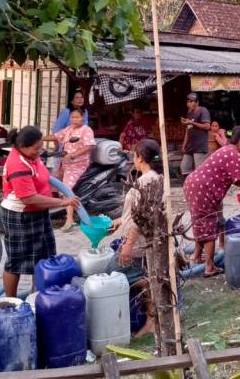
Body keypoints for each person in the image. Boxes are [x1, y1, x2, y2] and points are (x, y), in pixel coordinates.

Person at [0, 126, 80, 298]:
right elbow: (29, 198)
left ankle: (38, 296)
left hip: (38, 213)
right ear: (22, 147)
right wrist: (62, 201)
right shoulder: (17, 164)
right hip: (20, 217)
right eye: (36, 149)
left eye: (41, 147)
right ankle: (12, 302)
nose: (39, 152)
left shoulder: (30, 156)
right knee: (17, 261)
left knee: (43, 258)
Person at [183, 126, 240, 277]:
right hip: (204, 188)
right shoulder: (233, 154)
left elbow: (236, 180)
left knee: (200, 221)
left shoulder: (227, 150)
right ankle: (209, 267)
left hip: (194, 184)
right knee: (208, 225)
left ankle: (196, 257)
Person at [110, 138, 162, 338]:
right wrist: (118, 221)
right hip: (148, 240)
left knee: (114, 275)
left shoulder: (142, 183)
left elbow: (139, 221)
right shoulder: (156, 178)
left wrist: (128, 245)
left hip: (140, 243)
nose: (133, 159)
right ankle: (150, 314)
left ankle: (150, 320)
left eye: (134, 155)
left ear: (140, 157)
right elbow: (134, 215)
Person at [44, 108, 96, 232]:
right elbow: (56, 136)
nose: (75, 119)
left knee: (65, 189)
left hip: (78, 165)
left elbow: (90, 145)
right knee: (52, 184)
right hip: (65, 163)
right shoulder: (69, 129)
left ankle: (70, 220)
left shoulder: (86, 130)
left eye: (77, 117)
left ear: (83, 117)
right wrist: (39, 139)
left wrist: (74, 154)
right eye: (73, 117)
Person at [180, 93, 211, 175]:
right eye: (188, 101)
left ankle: (200, 187)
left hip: (200, 146)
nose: (189, 103)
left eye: (192, 101)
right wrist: (184, 145)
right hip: (190, 146)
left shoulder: (203, 110)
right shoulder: (189, 113)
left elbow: (207, 126)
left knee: (200, 171)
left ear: (197, 102)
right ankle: (188, 186)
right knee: (184, 167)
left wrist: (192, 122)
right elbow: (188, 129)